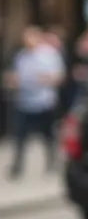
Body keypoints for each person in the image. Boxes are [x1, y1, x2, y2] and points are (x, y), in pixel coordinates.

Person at [4, 26, 65, 179]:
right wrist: (13, 80)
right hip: (24, 102)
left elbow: (59, 77)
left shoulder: (49, 55)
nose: (27, 41)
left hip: (44, 102)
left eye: (30, 38)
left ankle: (52, 162)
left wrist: (44, 79)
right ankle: (17, 166)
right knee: (20, 137)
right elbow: (15, 75)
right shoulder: (21, 56)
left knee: (48, 136)